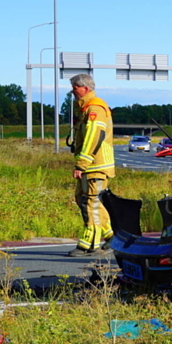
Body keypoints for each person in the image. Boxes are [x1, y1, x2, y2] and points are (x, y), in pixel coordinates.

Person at [67, 73, 115, 257]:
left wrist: (82, 164)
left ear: (85, 88)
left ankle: (89, 244)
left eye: (75, 87)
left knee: (91, 203)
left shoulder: (95, 108)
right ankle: (111, 235)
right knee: (83, 198)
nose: (73, 91)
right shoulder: (86, 108)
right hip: (92, 165)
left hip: (95, 165)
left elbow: (94, 136)